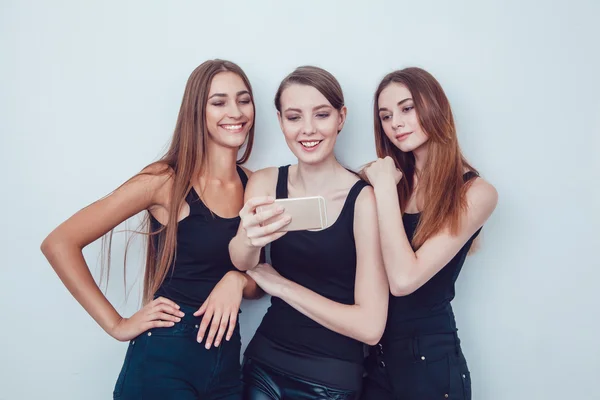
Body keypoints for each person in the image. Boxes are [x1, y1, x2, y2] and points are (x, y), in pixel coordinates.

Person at [40, 59, 262, 400]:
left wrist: (236, 280)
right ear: (196, 111)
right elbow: (59, 243)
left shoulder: (255, 185)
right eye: (219, 102)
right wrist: (117, 325)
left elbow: (260, 281)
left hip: (226, 361)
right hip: (165, 357)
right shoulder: (165, 180)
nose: (235, 111)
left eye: (243, 99)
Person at [228, 66, 389, 399]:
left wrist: (282, 286)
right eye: (294, 117)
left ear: (341, 118)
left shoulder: (363, 200)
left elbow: (371, 328)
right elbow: (245, 263)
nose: (308, 129)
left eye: (322, 114)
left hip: (330, 381)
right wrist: (247, 235)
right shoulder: (265, 182)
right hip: (263, 366)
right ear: (280, 121)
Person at [361, 67, 498, 400]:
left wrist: (381, 186)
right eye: (386, 115)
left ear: (435, 105)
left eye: (407, 108)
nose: (395, 122)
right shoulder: (393, 182)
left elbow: (404, 279)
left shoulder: (476, 193)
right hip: (373, 360)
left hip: (430, 364)